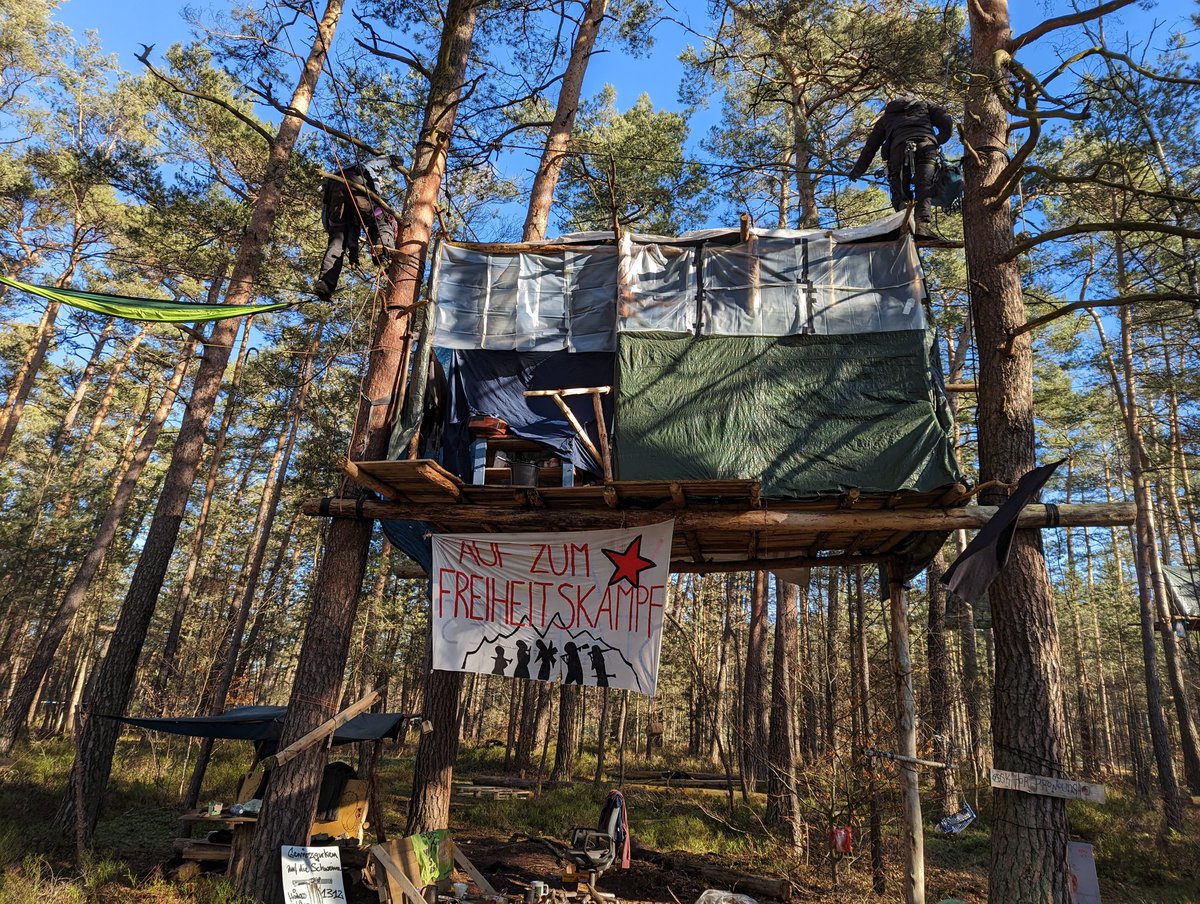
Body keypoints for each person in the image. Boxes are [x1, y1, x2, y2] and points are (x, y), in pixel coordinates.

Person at [847, 96, 953, 236]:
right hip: (926, 146)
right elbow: (946, 120)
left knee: (899, 188)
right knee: (925, 185)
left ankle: (906, 222)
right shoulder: (926, 106)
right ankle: (921, 226)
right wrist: (938, 140)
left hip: (898, 151)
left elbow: (870, 147)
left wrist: (857, 171)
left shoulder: (886, 118)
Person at [314, 155, 400, 300]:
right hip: (356, 184)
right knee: (378, 218)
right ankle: (384, 247)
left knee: (337, 242)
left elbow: (351, 230)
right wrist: (391, 160)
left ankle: (325, 284)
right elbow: (375, 162)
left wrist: (353, 254)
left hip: (334, 197)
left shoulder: (334, 180)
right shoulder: (362, 166)